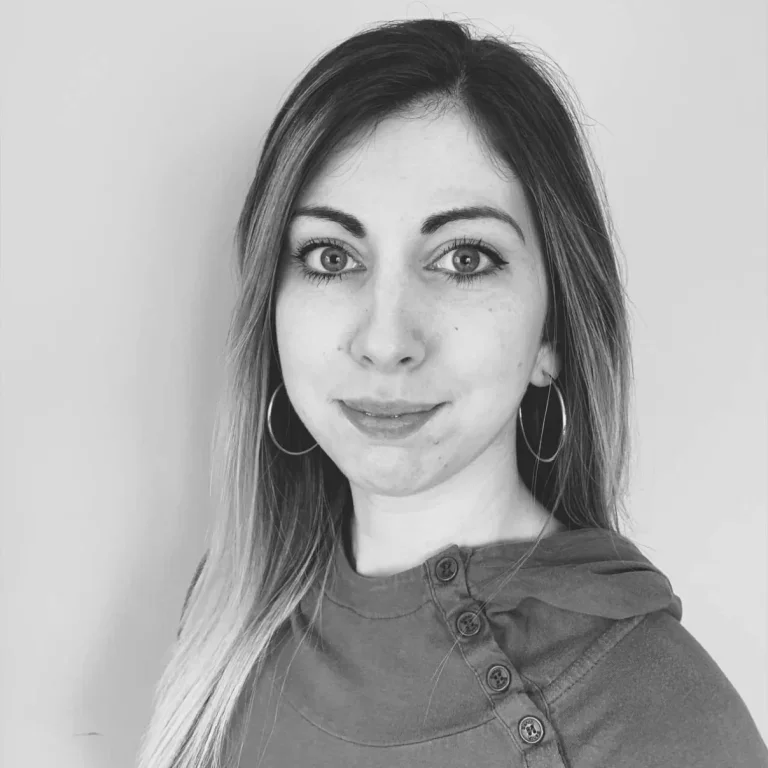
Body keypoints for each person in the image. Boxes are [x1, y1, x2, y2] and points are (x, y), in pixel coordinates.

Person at [137, 17, 768, 768]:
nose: (385, 339)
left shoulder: (664, 722)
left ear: (551, 334)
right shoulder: (229, 617)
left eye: (464, 258)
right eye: (331, 255)